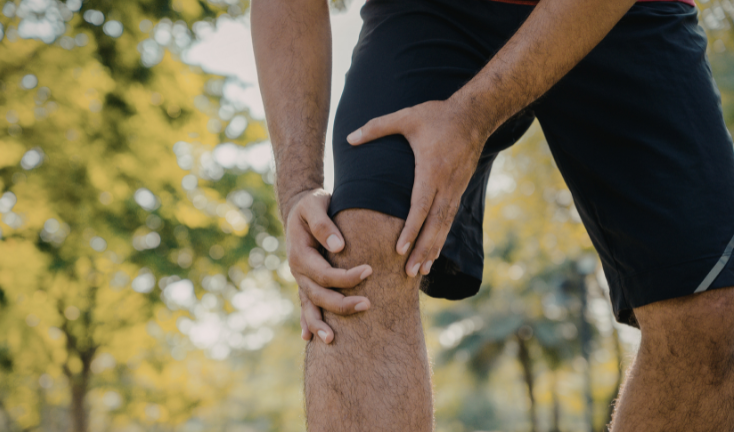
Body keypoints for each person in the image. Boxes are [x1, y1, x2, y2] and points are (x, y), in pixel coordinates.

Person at [251, 0, 734, 429]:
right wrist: (299, 188)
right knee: (353, 249)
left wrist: (473, 115)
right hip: (432, 11)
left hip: (618, 11)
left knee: (716, 312)